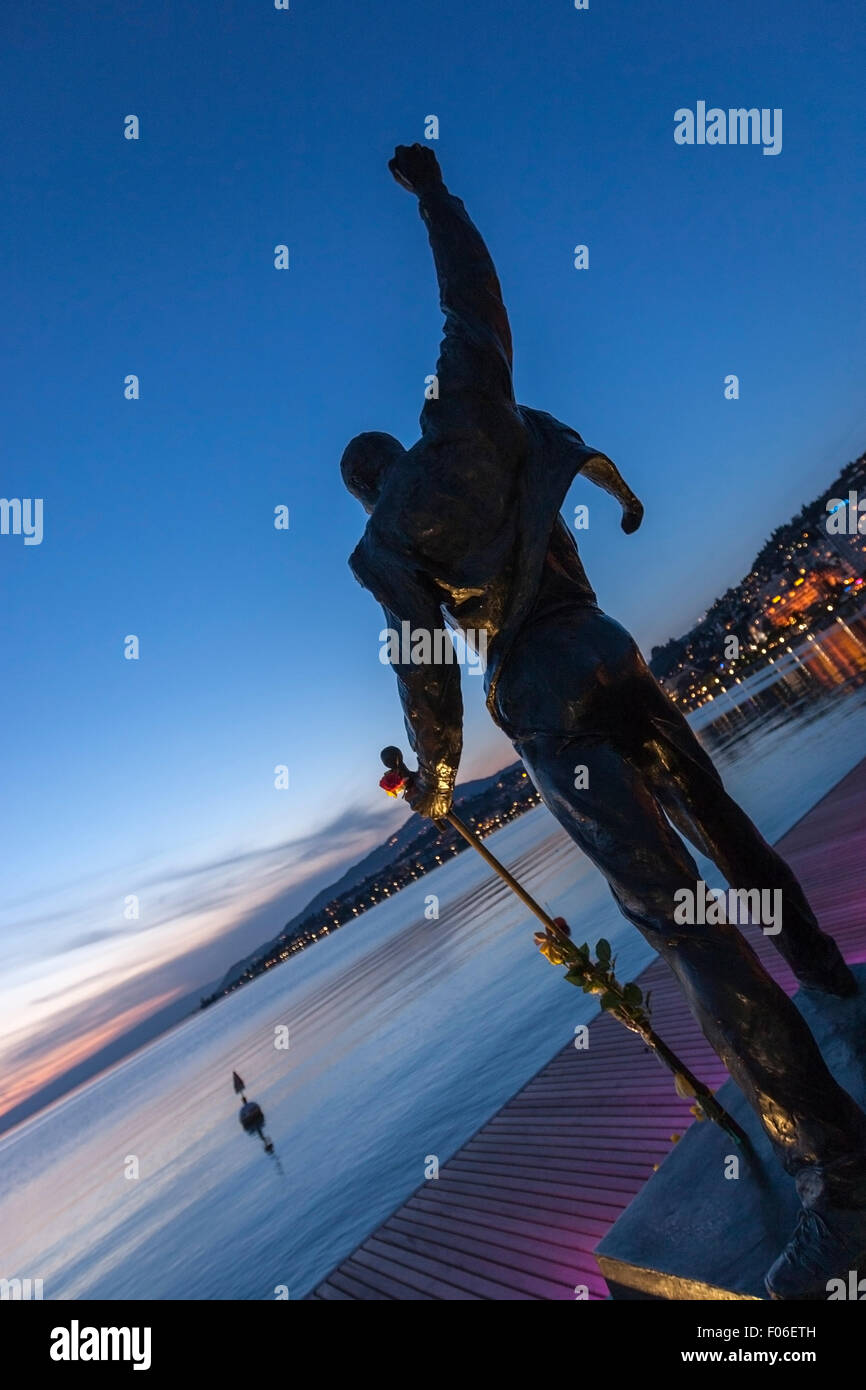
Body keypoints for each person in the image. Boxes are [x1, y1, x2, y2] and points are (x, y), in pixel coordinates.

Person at [341, 143, 866, 1298]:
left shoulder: (384, 539)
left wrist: (434, 781)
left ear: (359, 485)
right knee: (723, 828)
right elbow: (472, 293)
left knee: (684, 928)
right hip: (607, 645)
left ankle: (838, 1169)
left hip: (540, 694)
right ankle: (831, 983)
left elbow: (425, 665)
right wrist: (435, 195)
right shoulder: (469, 413)